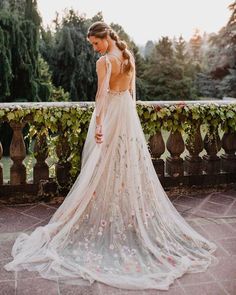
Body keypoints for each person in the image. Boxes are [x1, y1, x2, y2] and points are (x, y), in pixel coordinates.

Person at [4, 21, 218, 290]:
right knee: (125, 164)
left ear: (105, 38)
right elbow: (132, 93)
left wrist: (101, 123)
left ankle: (108, 214)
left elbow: (101, 94)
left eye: (95, 43)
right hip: (127, 116)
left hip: (112, 115)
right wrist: (131, 120)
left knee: (102, 165)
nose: (95, 49)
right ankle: (123, 214)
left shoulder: (106, 61)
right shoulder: (128, 56)